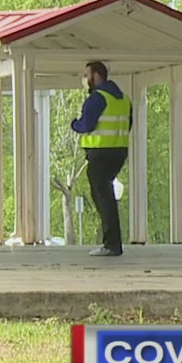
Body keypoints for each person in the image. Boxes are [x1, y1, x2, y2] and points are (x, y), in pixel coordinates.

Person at [70, 61, 132, 257]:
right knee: (106, 196)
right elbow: (128, 124)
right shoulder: (123, 99)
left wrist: (74, 124)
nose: (84, 79)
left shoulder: (97, 98)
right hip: (119, 152)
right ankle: (112, 242)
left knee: (103, 199)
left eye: (86, 75)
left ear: (96, 76)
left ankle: (112, 244)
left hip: (100, 154)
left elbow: (87, 124)